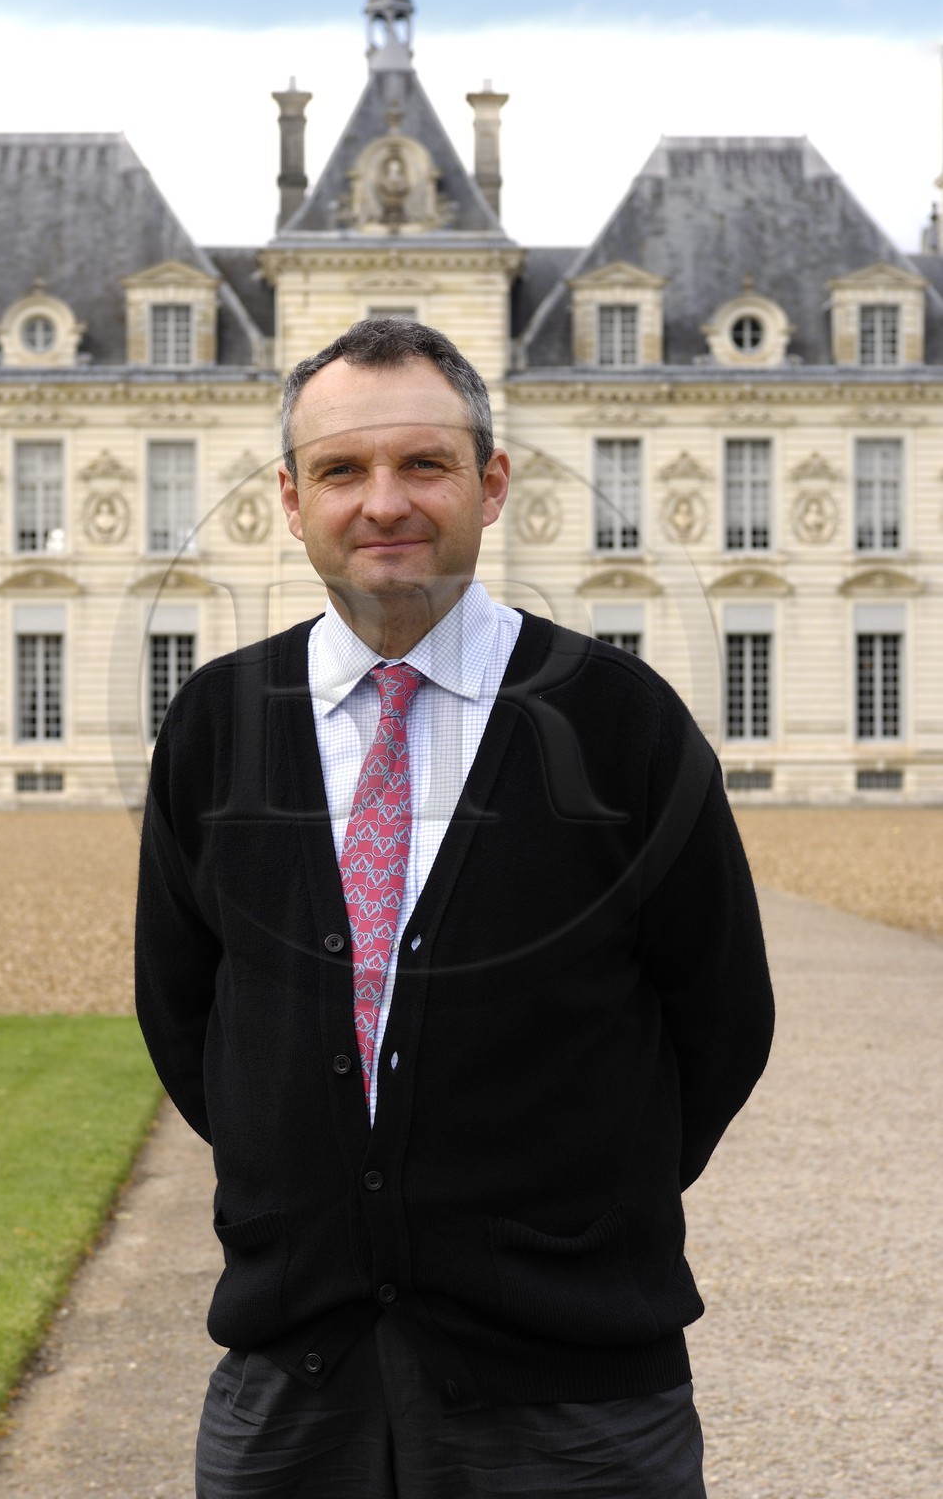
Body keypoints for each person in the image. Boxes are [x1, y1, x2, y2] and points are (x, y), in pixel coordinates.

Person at [135, 317, 774, 1498]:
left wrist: (573, 1217)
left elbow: (723, 1016)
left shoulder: (619, 719)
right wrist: (325, 1185)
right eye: (341, 469)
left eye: (423, 464)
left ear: (490, 485)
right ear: (289, 498)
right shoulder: (216, 723)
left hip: (571, 1386)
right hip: (294, 1381)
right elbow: (187, 1019)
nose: (383, 502)